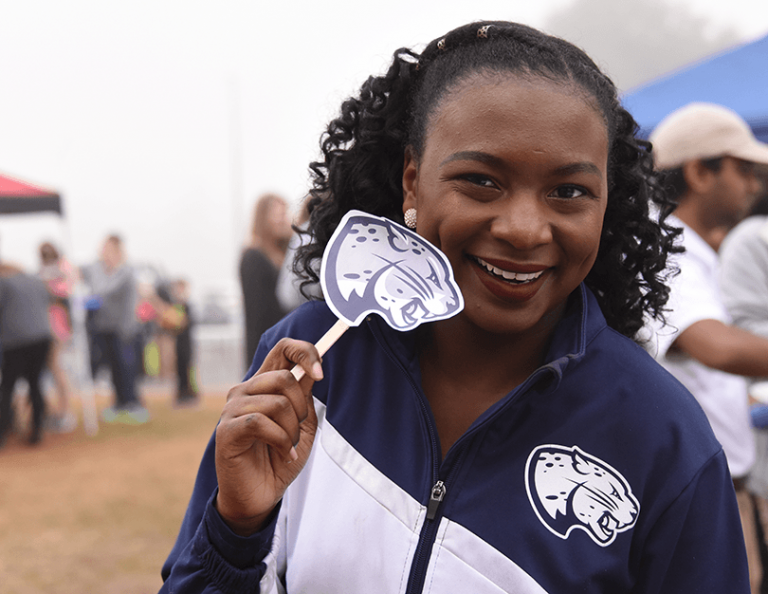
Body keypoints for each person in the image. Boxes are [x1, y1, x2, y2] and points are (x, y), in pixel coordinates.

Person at [160, 22, 749, 593]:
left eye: (569, 192)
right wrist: (235, 531)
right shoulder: (308, 363)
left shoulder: (663, 436)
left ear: (605, 205)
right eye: (481, 181)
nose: (523, 230)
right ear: (412, 183)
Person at [646, 102, 768, 593]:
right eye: (744, 170)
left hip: (712, 481)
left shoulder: (689, 247)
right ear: (699, 171)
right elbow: (712, 346)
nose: (754, 185)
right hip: (693, 491)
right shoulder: (661, 244)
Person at [81, 234, 148, 424]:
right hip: (105, 328)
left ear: (118, 251)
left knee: (127, 367)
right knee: (114, 368)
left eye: (107, 249)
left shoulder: (126, 271)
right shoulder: (97, 268)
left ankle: (134, 404)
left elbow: (104, 291)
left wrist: (85, 300)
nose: (102, 252)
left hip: (125, 330)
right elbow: (76, 271)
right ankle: (119, 404)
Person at [0, 261, 53, 447]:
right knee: (34, 383)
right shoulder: (36, 281)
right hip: (42, 338)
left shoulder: (5, 283)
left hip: (16, 342)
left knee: (6, 387)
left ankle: (3, 432)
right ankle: (37, 430)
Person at [239, 193, 293, 369]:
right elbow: (258, 315)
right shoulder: (253, 256)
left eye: (285, 214)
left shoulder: (284, 255)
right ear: (263, 218)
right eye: (279, 215)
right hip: (266, 350)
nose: (284, 220)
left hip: (283, 345)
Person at [38, 241, 77, 432]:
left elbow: (65, 291)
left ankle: (65, 412)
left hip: (57, 327)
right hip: (44, 327)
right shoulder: (43, 271)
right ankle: (57, 411)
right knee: (50, 370)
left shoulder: (64, 268)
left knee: (56, 368)